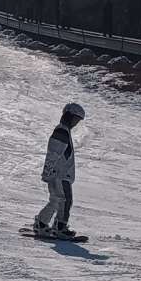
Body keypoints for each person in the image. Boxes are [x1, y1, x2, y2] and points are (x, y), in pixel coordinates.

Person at [34, 102, 85, 238]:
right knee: (63, 200)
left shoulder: (64, 131)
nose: (76, 123)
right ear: (68, 116)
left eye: (78, 120)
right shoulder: (62, 132)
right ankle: (57, 227)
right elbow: (53, 153)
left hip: (60, 174)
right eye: (75, 119)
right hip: (60, 175)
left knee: (58, 200)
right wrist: (48, 170)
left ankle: (45, 223)